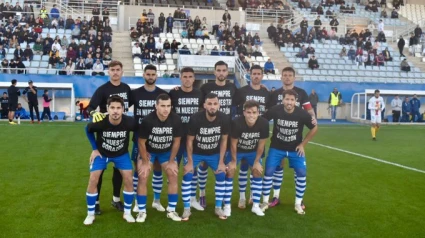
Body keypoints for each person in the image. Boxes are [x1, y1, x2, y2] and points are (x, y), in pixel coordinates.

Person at [86, 61, 133, 215]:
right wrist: (95, 114)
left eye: (117, 70)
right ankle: (97, 202)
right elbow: (91, 107)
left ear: (122, 71)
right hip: (105, 133)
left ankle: (116, 199)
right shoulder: (102, 89)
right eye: (112, 70)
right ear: (108, 72)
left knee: (120, 171)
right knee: (99, 172)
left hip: (121, 134)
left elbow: (132, 103)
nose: (115, 72)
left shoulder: (126, 89)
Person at [261, 89, 318, 215]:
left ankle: (298, 203)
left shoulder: (302, 114)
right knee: (269, 171)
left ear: (296, 102)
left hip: (294, 148)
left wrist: (303, 144)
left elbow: (314, 128)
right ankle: (265, 201)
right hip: (277, 147)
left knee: (301, 173)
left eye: (292, 100)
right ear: (283, 100)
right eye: (287, 99)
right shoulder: (276, 109)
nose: (289, 102)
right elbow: (263, 120)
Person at [83, 95, 136, 225]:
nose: (115, 111)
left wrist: (138, 149)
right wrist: (94, 149)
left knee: (129, 178)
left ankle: (127, 213)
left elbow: (138, 132)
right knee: (93, 179)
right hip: (102, 154)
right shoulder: (100, 121)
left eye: (118, 108)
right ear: (107, 108)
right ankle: (90, 214)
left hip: (121, 154)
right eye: (112, 107)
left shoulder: (130, 121)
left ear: (124, 109)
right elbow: (87, 129)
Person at [181, 93, 229, 220]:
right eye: (209, 104)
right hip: (196, 152)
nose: (212, 107)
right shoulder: (196, 118)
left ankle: (218, 208)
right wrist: (190, 162)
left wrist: (221, 161)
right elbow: (189, 141)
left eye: (215, 104)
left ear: (219, 105)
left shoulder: (224, 118)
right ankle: (187, 209)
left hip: (213, 153)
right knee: (188, 174)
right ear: (204, 105)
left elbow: (224, 140)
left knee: (221, 174)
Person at [135, 94, 183, 223]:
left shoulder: (176, 119)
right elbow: (141, 142)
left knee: (173, 174)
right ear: (156, 106)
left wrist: (172, 161)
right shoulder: (148, 120)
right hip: (149, 151)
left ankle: (171, 210)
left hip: (166, 152)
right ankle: (141, 211)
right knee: (143, 175)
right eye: (162, 106)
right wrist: (145, 161)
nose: (166, 109)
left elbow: (177, 141)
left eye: (168, 106)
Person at [197, 61, 237, 208]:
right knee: (203, 163)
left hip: (226, 128)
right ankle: (202, 194)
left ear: (227, 72)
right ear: (214, 72)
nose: (221, 73)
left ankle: (224, 200)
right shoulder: (206, 87)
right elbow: (199, 104)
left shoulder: (232, 87)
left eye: (224, 70)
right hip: (207, 130)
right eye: (218, 70)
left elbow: (241, 102)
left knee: (223, 164)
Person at [130, 64, 168, 213]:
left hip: (159, 138)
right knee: (138, 170)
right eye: (148, 74)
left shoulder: (163, 94)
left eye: (153, 74)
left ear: (156, 76)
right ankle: (136, 201)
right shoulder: (135, 94)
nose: (151, 76)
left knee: (157, 168)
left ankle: (156, 201)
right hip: (140, 138)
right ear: (144, 75)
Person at [233, 65, 270, 208]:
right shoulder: (241, 91)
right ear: (249, 75)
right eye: (253, 73)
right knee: (242, 168)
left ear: (262, 76)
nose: (256, 76)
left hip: (257, 134)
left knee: (255, 168)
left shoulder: (267, 93)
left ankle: (253, 197)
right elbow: (234, 106)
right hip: (242, 134)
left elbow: (270, 109)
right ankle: (242, 197)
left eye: (258, 74)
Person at [225, 100, 269, 217]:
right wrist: (234, 161)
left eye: (254, 112)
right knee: (230, 171)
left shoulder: (264, 123)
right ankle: (227, 205)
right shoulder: (236, 122)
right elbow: (233, 144)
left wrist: (256, 162)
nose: (251, 115)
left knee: (257, 171)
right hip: (237, 151)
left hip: (253, 151)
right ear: (244, 112)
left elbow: (261, 144)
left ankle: (255, 205)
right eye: (248, 112)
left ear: (258, 113)